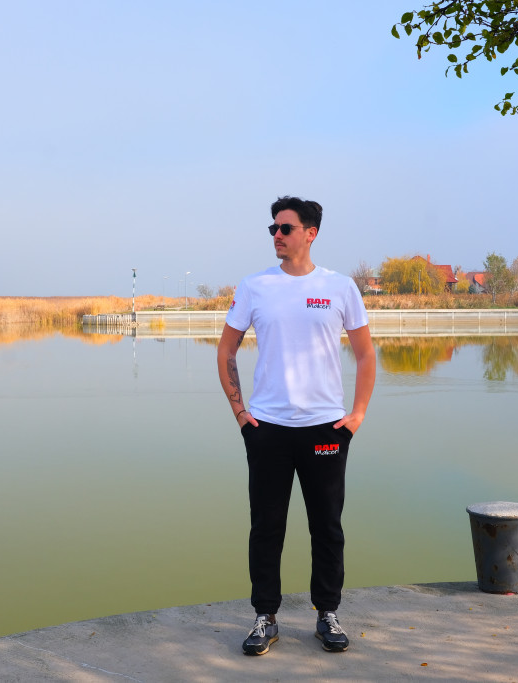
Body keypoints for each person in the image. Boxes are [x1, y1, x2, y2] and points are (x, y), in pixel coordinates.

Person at [217, 196, 376, 655]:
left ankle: (327, 614)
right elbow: (226, 351)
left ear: (311, 233)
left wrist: (357, 415)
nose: (277, 235)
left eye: (285, 228)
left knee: (327, 527)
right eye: (273, 228)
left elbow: (366, 354)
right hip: (267, 429)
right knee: (266, 527)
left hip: (326, 429)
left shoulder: (340, 287)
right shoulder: (255, 287)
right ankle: (264, 617)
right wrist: (242, 415)